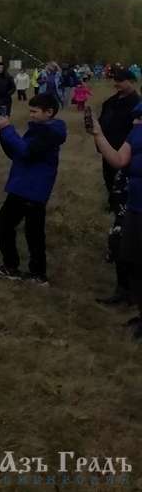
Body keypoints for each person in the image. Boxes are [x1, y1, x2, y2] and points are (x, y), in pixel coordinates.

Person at [0, 94, 66, 285]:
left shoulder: (49, 133)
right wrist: (3, 133)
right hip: (26, 185)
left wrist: (8, 130)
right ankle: (36, 273)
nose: (31, 115)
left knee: (7, 224)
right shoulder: (40, 130)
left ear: (49, 112)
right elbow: (16, 153)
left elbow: (26, 152)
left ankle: (14, 267)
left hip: (30, 187)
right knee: (32, 231)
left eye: (34, 111)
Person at [90, 100, 142, 340]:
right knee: (132, 259)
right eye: (137, 118)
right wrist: (98, 134)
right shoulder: (136, 132)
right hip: (134, 207)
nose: (136, 121)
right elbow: (119, 160)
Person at [96, 68, 141, 305]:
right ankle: (125, 292)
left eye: (120, 81)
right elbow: (119, 159)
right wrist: (98, 136)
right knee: (123, 241)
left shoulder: (135, 105)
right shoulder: (114, 104)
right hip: (128, 192)